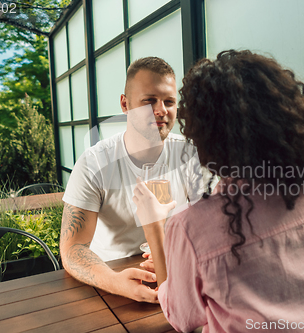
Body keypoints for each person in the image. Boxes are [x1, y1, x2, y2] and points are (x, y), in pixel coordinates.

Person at [133, 50, 304, 332]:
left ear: (204, 133)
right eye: (148, 102)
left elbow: (181, 317)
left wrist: (155, 229)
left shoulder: (191, 227)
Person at [60, 57, 210, 303]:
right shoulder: (95, 162)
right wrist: (114, 282)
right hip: (111, 283)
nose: (161, 110)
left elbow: (207, 227)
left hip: (177, 276)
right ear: (125, 104)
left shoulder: (189, 154)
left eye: (169, 102)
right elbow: (72, 249)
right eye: (149, 101)